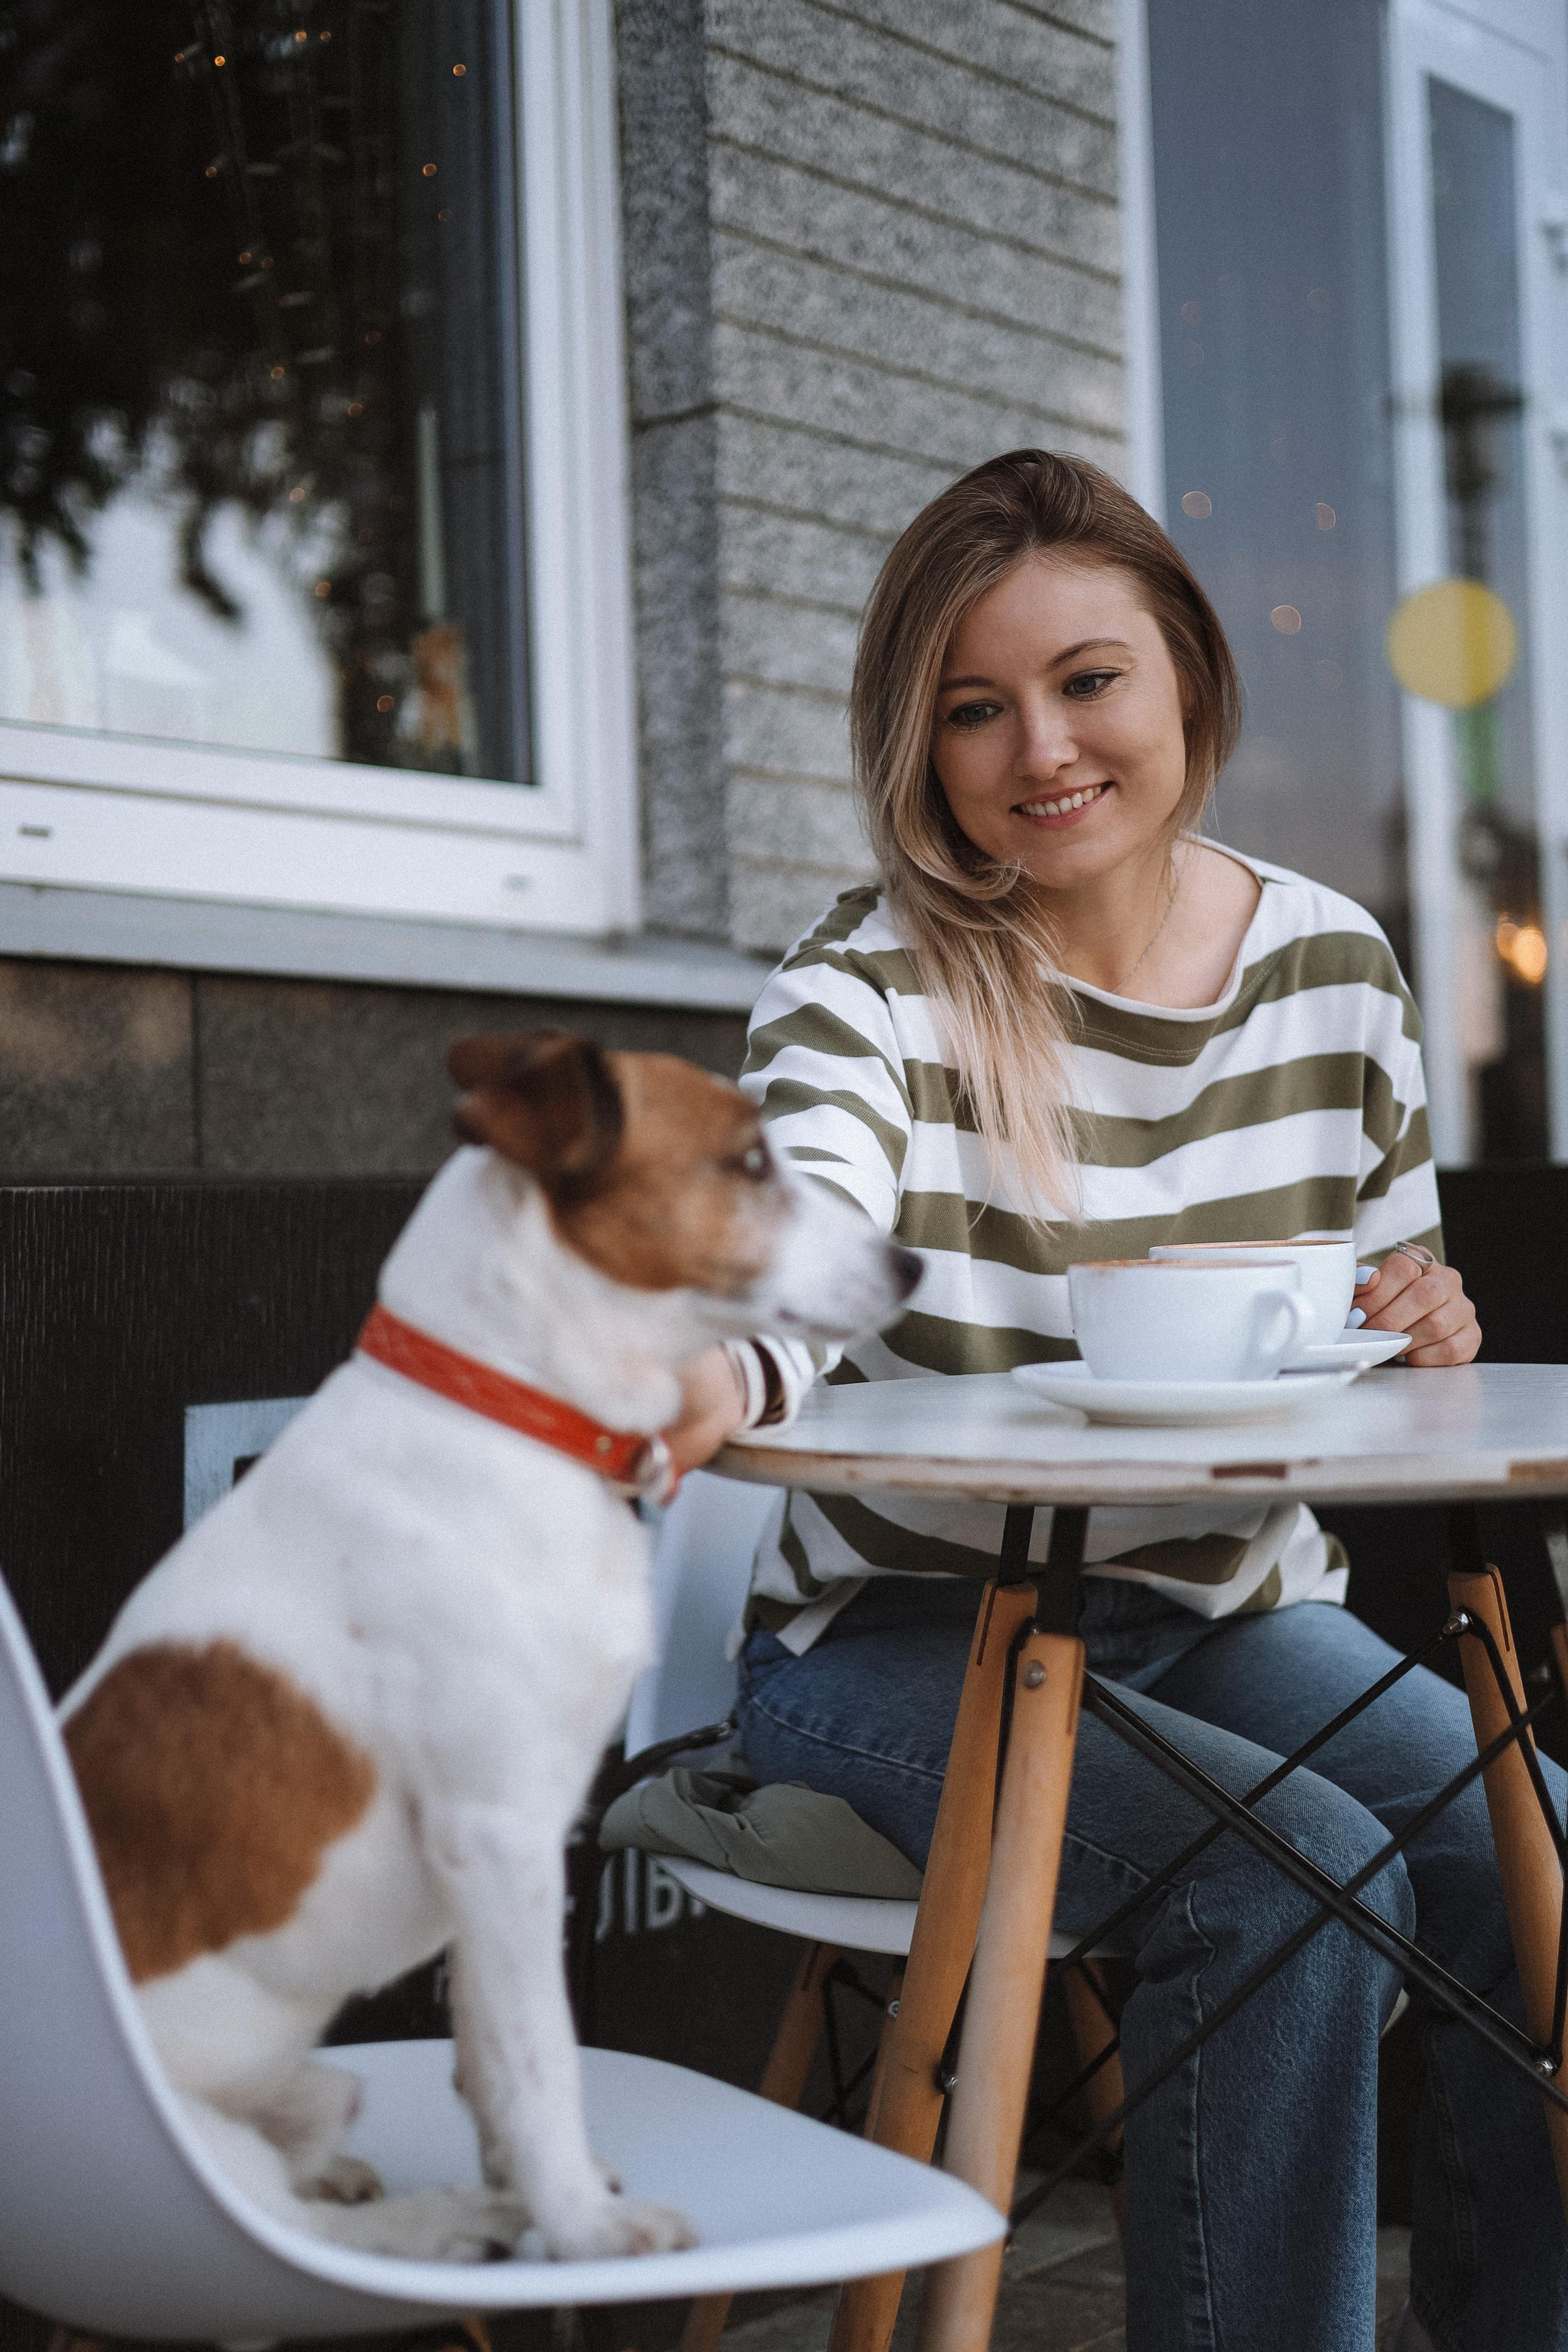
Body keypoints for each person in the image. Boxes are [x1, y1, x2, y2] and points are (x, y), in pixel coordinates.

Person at [660, 449, 1564, 2352]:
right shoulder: (869, 987)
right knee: (1290, 1878)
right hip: (892, 1639)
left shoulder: (1331, 969)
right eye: (973, 708)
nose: (1042, 749)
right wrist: (733, 1335)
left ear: (1189, 680)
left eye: (1088, 681)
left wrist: (1423, 1315)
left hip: (1228, 1613)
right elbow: (803, 1219)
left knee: (1534, 1843)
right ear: (920, 746)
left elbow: (1380, 1318)